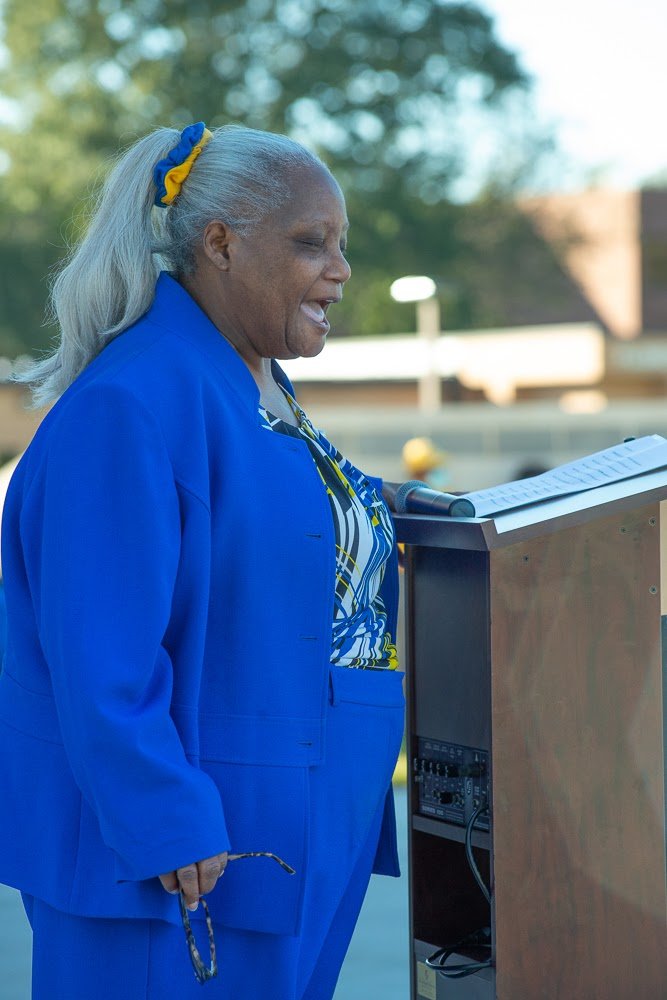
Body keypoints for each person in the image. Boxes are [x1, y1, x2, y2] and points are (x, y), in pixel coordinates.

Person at [0, 122, 405, 1000]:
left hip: (300, 821)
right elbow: (101, 655)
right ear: (219, 243)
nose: (339, 271)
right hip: (192, 851)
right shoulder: (134, 402)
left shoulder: (254, 384)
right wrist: (165, 820)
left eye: (342, 246)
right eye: (311, 244)